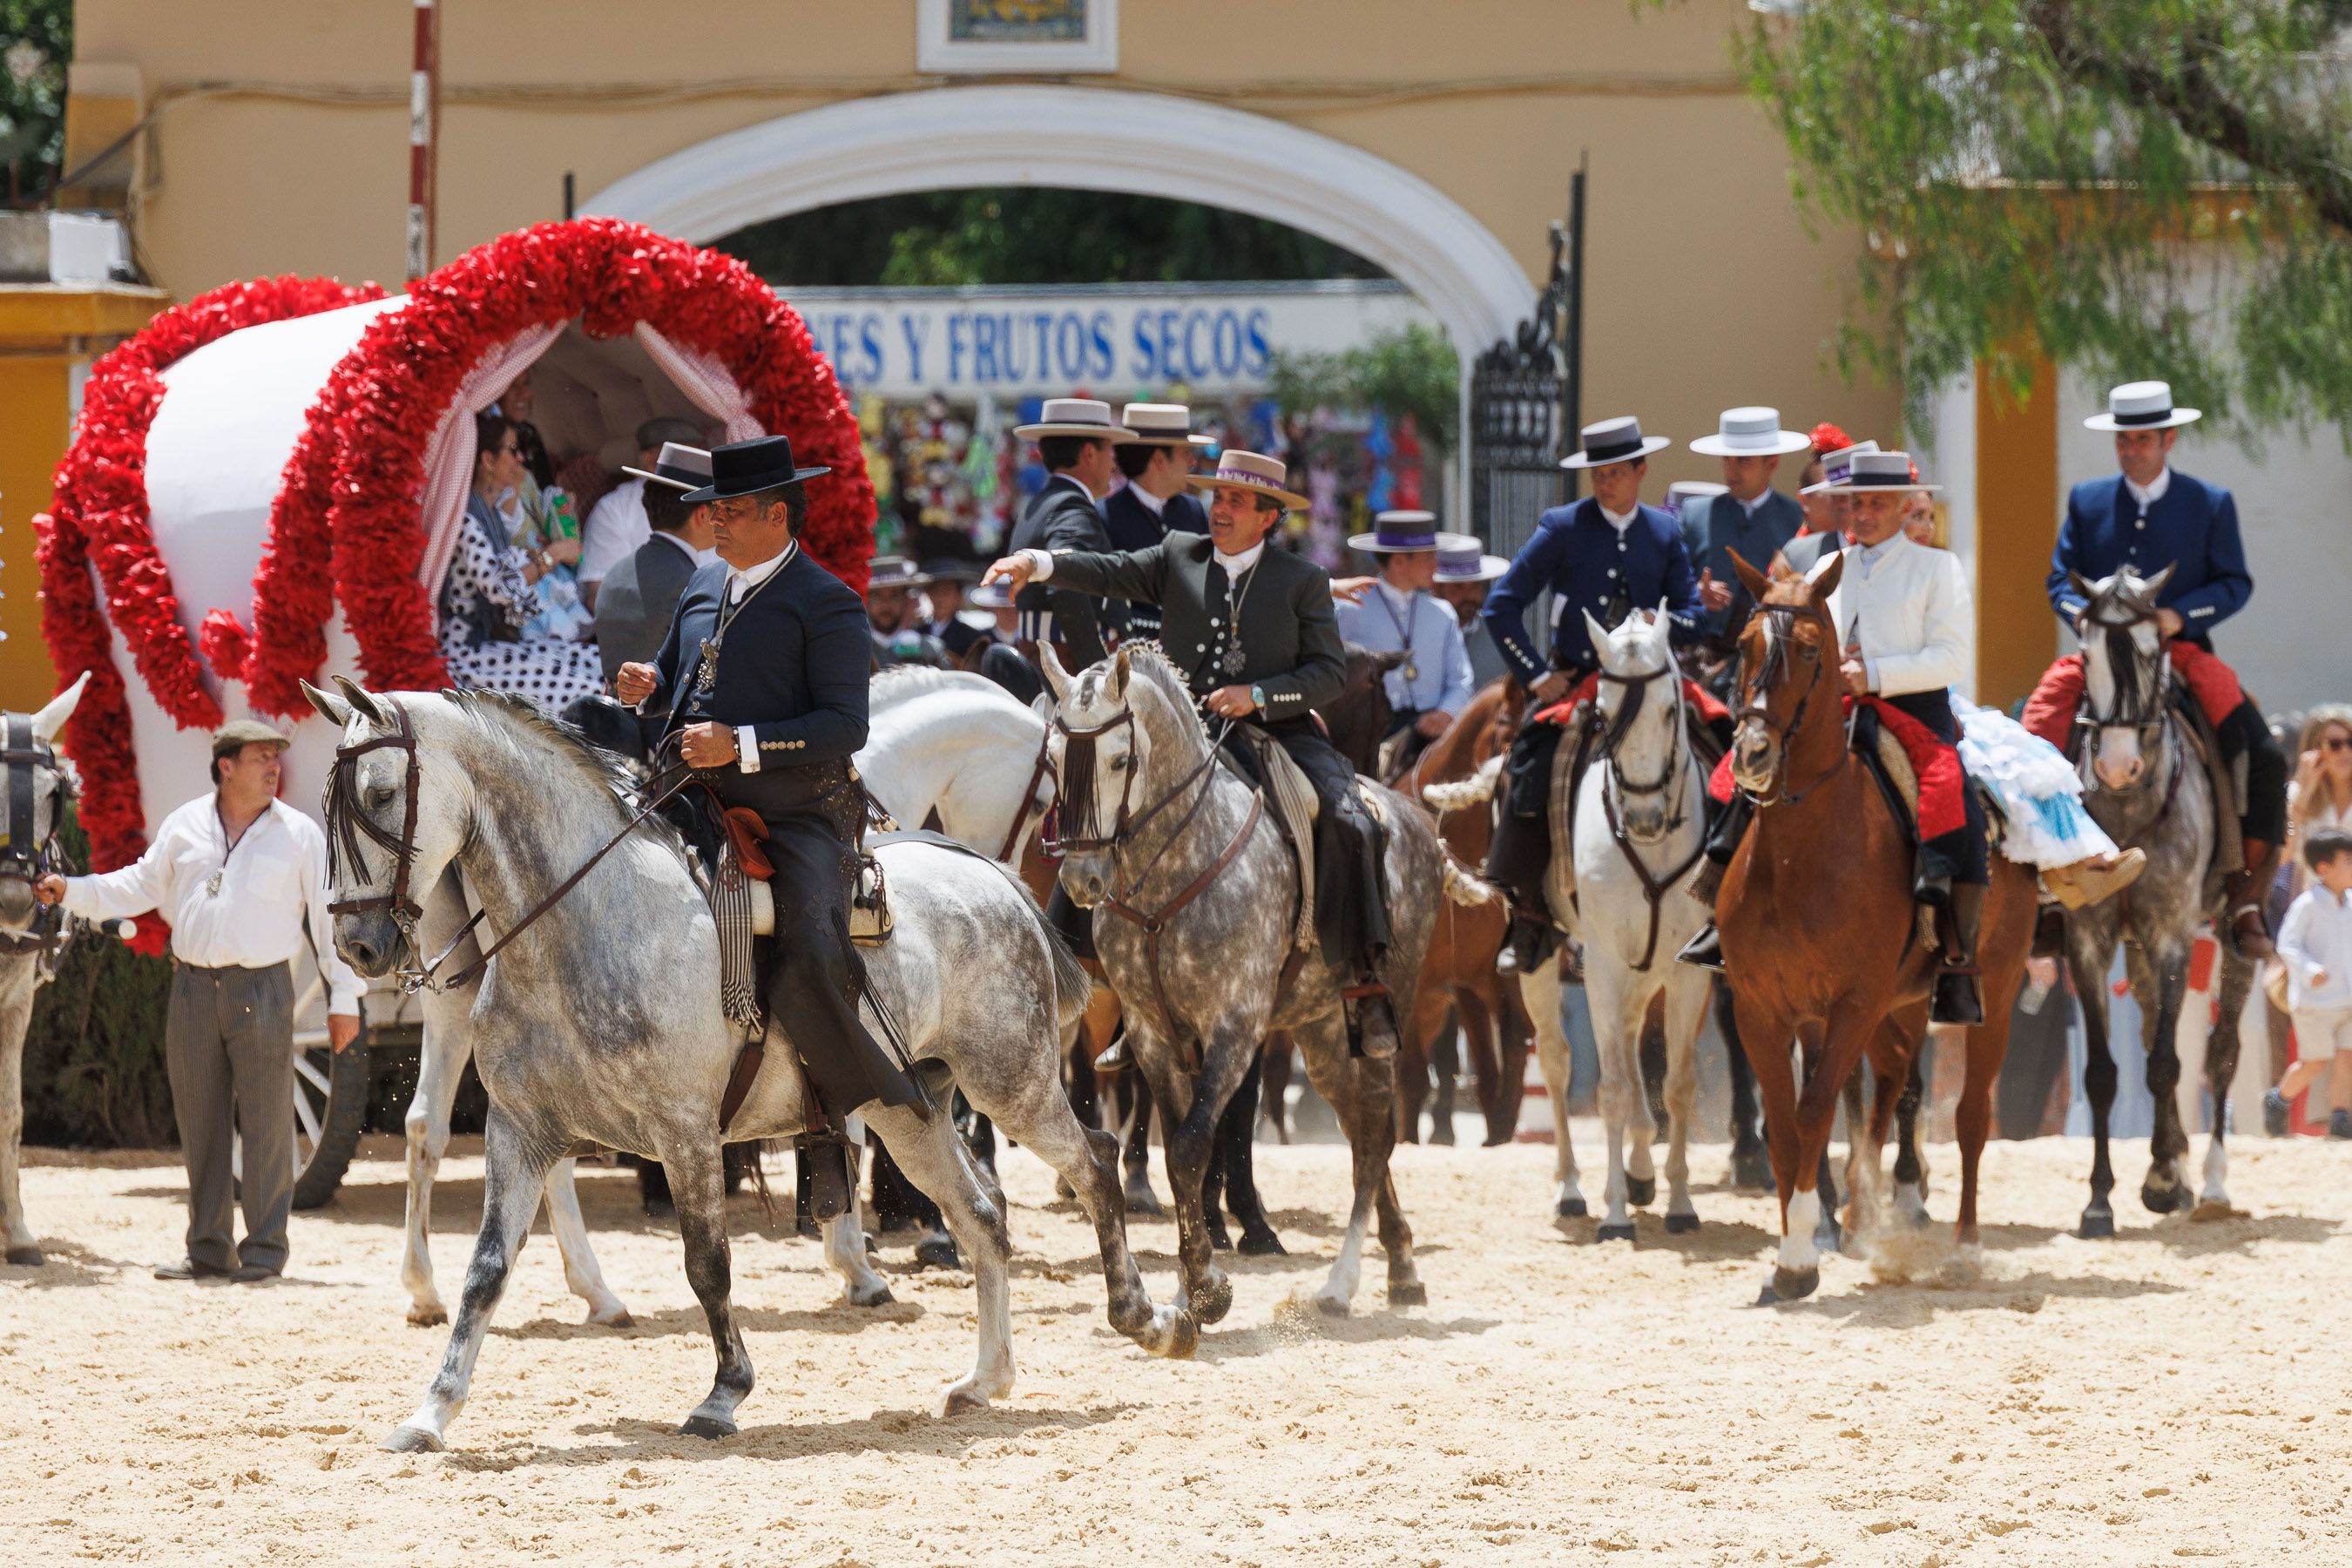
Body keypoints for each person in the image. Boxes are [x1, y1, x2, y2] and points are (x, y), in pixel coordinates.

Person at [983, 448, 1399, 1057]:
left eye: (1235, 501)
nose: (1220, 509)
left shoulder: (1301, 580)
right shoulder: (1179, 552)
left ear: (1267, 517)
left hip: (1277, 731)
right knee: (1096, 806)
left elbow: (1329, 675)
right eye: (1218, 498)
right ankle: (1095, 973)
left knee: (1352, 820)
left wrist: (1258, 693)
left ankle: (1364, 985)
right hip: (1182, 732)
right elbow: (1107, 569)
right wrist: (1037, 563)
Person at [613, 435, 929, 1223]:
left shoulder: (827, 600)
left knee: (812, 947)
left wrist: (742, 745)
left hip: (797, 811)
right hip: (689, 795)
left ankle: (828, 1123)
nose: (714, 521)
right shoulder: (702, 582)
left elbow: (845, 725)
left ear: (778, 515)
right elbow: (684, 683)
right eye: (711, 509)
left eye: (731, 510)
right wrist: (650, 689)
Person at [35, 720, 361, 1282]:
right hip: (189, 989)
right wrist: (74, 891)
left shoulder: (301, 834)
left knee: (266, 1123)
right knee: (201, 1121)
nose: (273, 766)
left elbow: (329, 920)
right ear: (226, 765)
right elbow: (135, 886)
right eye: (261, 757)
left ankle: (263, 1252)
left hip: (263, 989)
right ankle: (208, 1250)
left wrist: (346, 999)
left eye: (275, 757)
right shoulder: (184, 826)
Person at [1676, 449, 1992, 1021]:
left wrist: (1873, 673)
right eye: (1856, 503)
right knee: (1740, 772)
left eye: (1878, 504)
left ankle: (1956, 960)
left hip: (1913, 713)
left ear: (1902, 507)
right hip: (1830, 712)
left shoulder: (1936, 570)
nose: (1865, 513)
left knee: (1959, 803)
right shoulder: (1826, 569)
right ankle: (1723, 920)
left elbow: (1953, 658)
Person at [2020, 380, 2288, 959]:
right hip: (2101, 654)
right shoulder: (2087, 500)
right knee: (2030, 730)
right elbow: (2058, 581)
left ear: (2168, 439)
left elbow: (2234, 583)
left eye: (2142, 439)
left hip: (2180, 649)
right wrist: (2088, 621)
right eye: (2124, 441)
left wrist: (2177, 615)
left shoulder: (2209, 502)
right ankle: (2043, 887)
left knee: (2263, 753)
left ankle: (2244, 892)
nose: (2131, 450)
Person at [1482, 415, 1704, 969]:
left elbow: (1696, 614)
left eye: (1616, 473)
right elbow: (1501, 606)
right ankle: (1528, 916)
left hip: (1654, 678)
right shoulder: (1561, 526)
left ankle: (1723, 905)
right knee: (1530, 763)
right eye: (1597, 475)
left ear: (1641, 470)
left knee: (1721, 741)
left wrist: (1668, 620)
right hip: (1580, 679)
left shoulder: (1665, 531)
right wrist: (1536, 675)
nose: (1606, 484)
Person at [441, 411, 605, 715]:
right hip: (466, 656)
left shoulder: (491, 516)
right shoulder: (466, 520)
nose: (521, 459)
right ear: (488, 461)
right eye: (513, 451)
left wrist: (536, 557)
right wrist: (553, 555)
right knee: (585, 693)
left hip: (492, 646)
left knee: (599, 663)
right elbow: (500, 588)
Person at [1335, 510, 1477, 769]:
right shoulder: (1348, 609)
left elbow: (1461, 680)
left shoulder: (1442, 614)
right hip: (1365, 740)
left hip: (1431, 741)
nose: (1436, 564)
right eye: (1428, 557)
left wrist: (1446, 712)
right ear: (1400, 561)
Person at [1006, 398, 1139, 671]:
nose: (1113, 466)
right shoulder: (1071, 506)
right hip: (1070, 669)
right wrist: (1097, 671)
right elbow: (1063, 579)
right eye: (1109, 453)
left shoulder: (1039, 504)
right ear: (1090, 454)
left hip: (1047, 661)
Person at [1680, 406, 1811, 652]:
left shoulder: (1797, 519)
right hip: (1702, 659)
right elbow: (1668, 585)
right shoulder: (1694, 514)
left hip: (1773, 658)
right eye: (1726, 460)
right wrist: (1694, 593)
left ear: (1772, 462)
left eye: (1743, 461)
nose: (1731, 470)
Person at [595, 442, 714, 686]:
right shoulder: (693, 583)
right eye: (720, 508)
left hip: (617, 714)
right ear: (702, 515)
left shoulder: (616, 572)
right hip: (664, 722)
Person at [2261, 828, 2352, 1139]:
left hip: (2347, 999)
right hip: (2315, 1002)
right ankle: (2279, 1098)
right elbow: (2287, 944)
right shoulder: (2307, 904)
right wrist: (2309, 969)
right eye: (2348, 862)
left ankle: (2341, 1118)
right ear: (2324, 868)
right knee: (2314, 1062)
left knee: (2347, 1057)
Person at [1103, 402, 1213, 642]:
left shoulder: (1194, 511)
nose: (1192, 462)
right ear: (1159, 460)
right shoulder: (1106, 516)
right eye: (1185, 452)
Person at [579, 416, 707, 610]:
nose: (695, 464)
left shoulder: (714, 502)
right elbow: (601, 596)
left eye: (698, 455)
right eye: (684, 455)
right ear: (651, 462)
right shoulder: (614, 509)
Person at [1433, 537, 1513, 691]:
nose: (1469, 596)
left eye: (1475, 586)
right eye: (1458, 587)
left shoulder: (1501, 634)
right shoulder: (1418, 633)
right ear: (1436, 588)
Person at [864, 557, 947, 668]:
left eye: (894, 597)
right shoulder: (855, 649)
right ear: (866, 601)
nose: (885, 605)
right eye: (877, 597)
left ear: (906, 601)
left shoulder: (931, 652)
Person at [917, 558, 990, 660]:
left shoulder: (971, 638)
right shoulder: (918, 634)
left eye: (946, 591)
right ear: (928, 594)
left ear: (959, 597)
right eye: (935, 590)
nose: (940, 597)